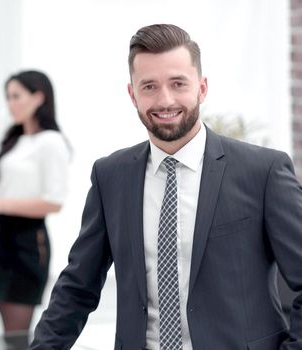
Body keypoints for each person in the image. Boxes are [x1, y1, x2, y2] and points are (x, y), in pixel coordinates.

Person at [29, 24, 302, 350]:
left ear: (201, 88)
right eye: (149, 86)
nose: (165, 100)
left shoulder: (262, 172)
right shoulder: (110, 176)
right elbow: (78, 286)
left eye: (178, 84)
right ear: (132, 95)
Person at [0, 70, 70, 333]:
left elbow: (54, 202)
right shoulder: (14, 140)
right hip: (2, 237)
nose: (10, 103)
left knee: (17, 333)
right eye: (8, 97)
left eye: (16, 96)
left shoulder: (51, 142)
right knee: (7, 330)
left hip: (28, 241)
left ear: (38, 97)